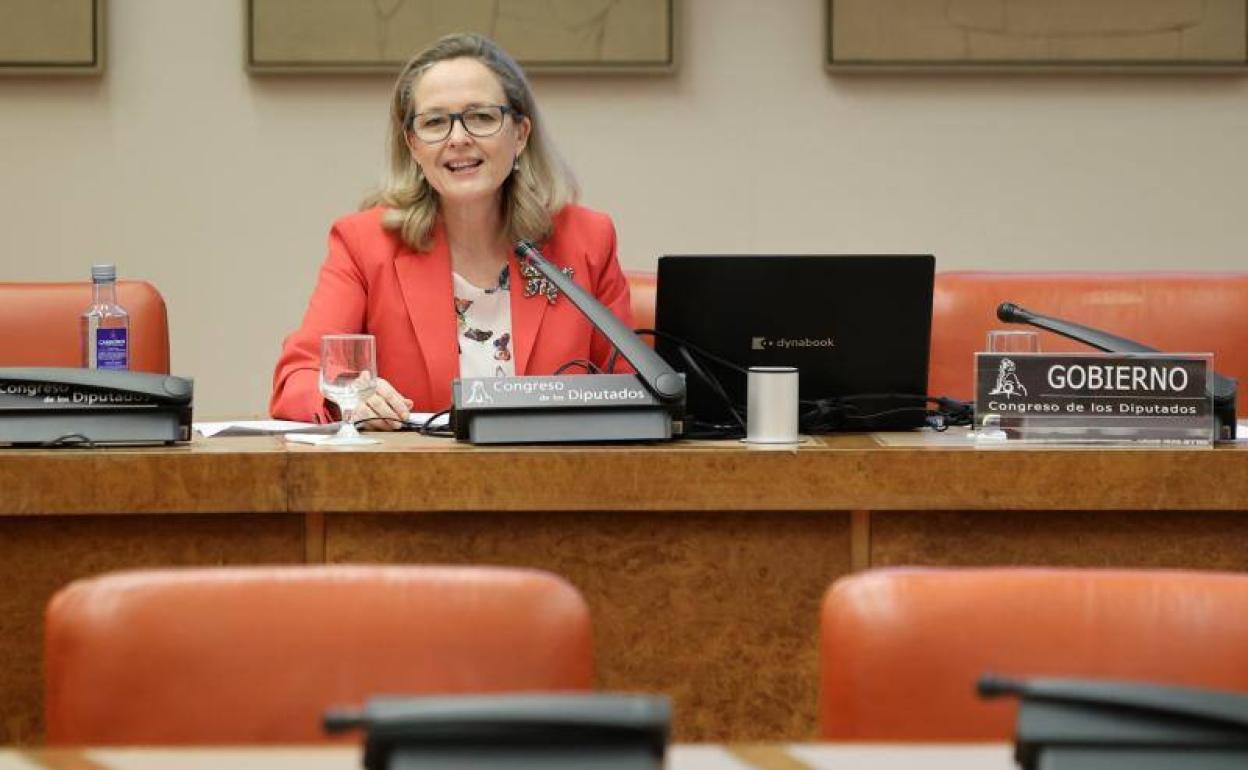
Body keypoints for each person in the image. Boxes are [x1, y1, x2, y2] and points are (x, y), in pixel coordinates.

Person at [270, 33, 632, 428]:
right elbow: (298, 379)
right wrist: (351, 400)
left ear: (520, 134)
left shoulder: (586, 239)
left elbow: (634, 387)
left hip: (556, 481)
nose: (458, 139)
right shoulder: (365, 245)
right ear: (412, 144)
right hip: (417, 483)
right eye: (435, 122)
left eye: (481, 117)